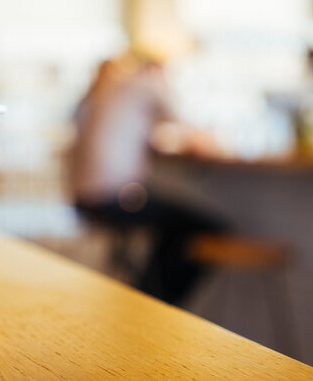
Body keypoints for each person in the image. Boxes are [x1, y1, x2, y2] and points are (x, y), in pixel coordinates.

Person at [69, 51, 228, 305]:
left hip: (86, 199)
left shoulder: (113, 89)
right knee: (207, 228)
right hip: (115, 197)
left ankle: (149, 298)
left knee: (173, 229)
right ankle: (159, 303)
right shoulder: (147, 83)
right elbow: (193, 133)